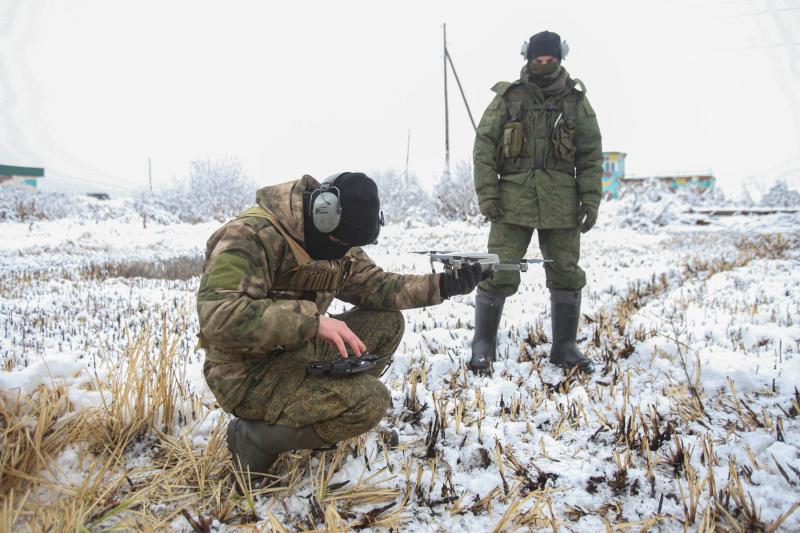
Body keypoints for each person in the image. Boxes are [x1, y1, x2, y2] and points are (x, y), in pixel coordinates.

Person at [196, 172, 485, 483]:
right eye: (342, 242)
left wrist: (443, 285)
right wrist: (312, 322)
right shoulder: (248, 237)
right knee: (371, 400)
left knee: (386, 321)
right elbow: (219, 316)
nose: (345, 250)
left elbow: (379, 287)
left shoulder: (336, 237)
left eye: (352, 244)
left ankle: (329, 419)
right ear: (323, 212)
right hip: (245, 375)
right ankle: (255, 438)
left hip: (294, 352)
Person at [470, 30, 602, 374]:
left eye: (550, 60)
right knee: (497, 269)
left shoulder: (575, 102)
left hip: (561, 202)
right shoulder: (509, 98)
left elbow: (590, 154)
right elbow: (484, 146)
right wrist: (487, 192)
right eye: (538, 60)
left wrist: (591, 198)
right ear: (527, 59)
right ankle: (483, 345)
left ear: (560, 59)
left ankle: (565, 347)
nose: (543, 65)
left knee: (566, 272)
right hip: (511, 200)